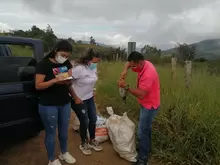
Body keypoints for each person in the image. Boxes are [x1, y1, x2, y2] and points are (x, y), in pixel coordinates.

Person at [35, 40, 80, 165]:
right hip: (48, 104)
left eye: (67, 56)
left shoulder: (66, 64)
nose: (65, 58)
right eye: (63, 55)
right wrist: (54, 81)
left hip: (64, 102)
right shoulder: (43, 64)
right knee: (51, 132)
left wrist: (69, 85)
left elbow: (69, 84)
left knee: (64, 131)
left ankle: (64, 152)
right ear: (55, 50)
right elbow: (38, 85)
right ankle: (51, 159)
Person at [118, 51, 160, 165]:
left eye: (134, 66)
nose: (132, 67)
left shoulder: (148, 73)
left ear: (140, 63)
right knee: (147, 130)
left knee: (142, 132)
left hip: (150, 106)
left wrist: (126, 87)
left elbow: (141, 94)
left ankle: (142, 160)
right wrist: (125, 71)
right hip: (145, 103)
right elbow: (128, 64)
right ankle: (146, 150)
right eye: (131, 65)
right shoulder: (141, 64)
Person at [70, 48, 102, 155]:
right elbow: (67, 82)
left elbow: (93, 80)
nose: (95, 64)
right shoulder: (79, 69)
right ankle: (83, 143)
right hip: (79, 99)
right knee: (84, 121)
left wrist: (93, 90)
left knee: (93, 118)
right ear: (88, 59)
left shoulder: (93, 68)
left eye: (97, 62)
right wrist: (75, 97)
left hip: (89, 97)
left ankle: (92, 140)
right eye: (94, 62)